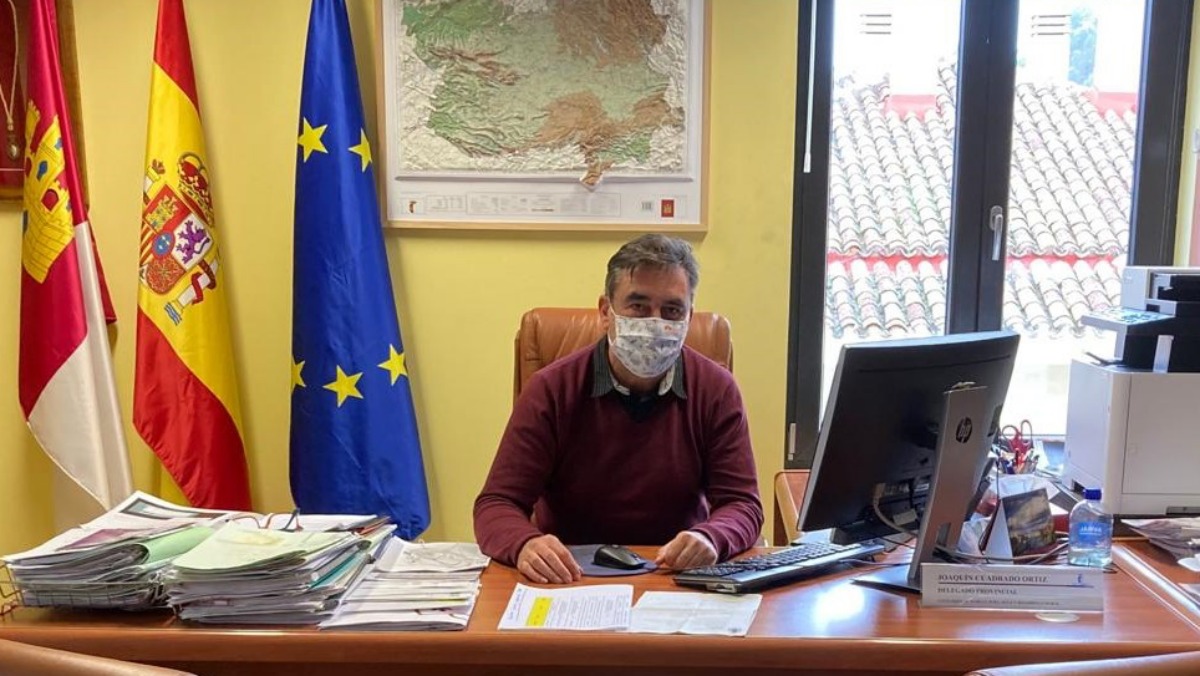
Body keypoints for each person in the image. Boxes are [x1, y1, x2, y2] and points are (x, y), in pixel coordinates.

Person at [473, 234, 764, 584]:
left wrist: (711, 537)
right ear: (605, 312)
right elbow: (496, 504)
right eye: (638, 306)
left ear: (689, 316)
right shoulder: (551, 389)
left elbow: (743, 505)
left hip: (677, 575)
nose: (654, 323)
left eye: (672, 310)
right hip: (571, 577)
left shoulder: (716, 390)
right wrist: (525, 544)